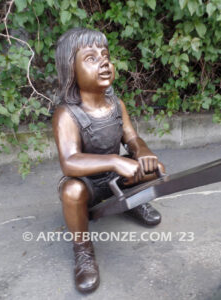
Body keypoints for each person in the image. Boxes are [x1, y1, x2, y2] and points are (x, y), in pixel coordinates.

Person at [52, 28, 165, 294]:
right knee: (71, 190)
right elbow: (69, 162)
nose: (104, 62)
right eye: (91, 58)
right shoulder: (66, 115)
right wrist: (115, 161)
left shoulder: (116, 104)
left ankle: (133, 202)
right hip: (89, 184)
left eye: (105, 55)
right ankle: (83, 251)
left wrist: (143, 151)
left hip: (118, 179)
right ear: (71, 69)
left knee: (156, 168)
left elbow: (132, 138)